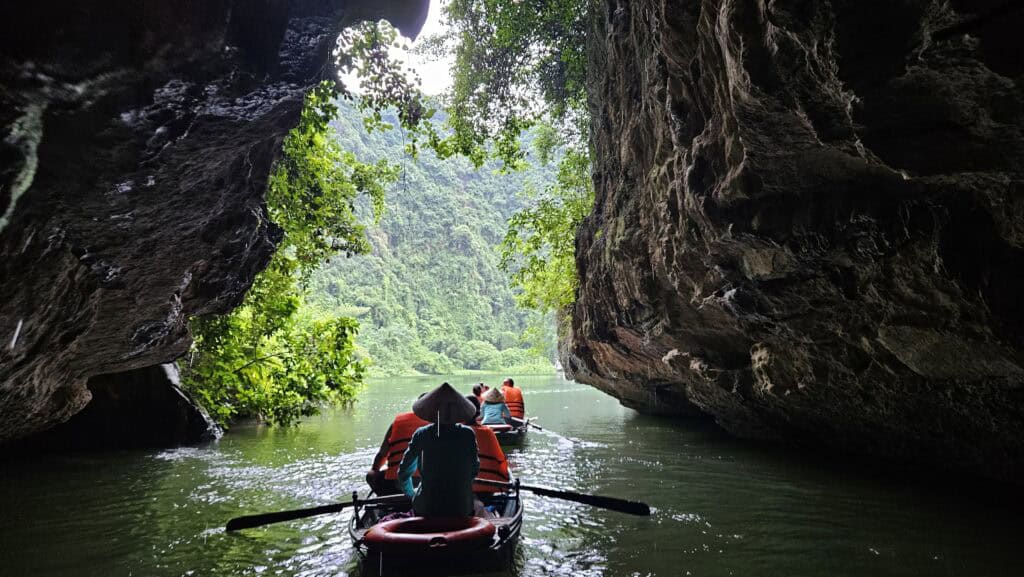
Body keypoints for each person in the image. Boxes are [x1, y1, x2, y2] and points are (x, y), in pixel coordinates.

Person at [397, 382, 480, 516]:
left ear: (432, 411)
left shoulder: (421, 434)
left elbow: (404, 473)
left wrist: (412, 495)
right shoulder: (468, 434)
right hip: (461, 508)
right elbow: (474, 471)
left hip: (426, 509)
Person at [366, 396, 429, 496]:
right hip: (427, 483)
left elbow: (382, 455)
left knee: (371, 475)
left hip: (396, 483)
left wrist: (375, 471)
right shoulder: (439, 425)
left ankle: (386, 501)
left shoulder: (397, 422)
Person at [463, 395, 511, 494]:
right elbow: (501, 462)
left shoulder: (457, 432)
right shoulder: (488, 432)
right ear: (478, 412)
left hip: (464, 487)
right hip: (492, 486)